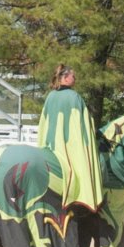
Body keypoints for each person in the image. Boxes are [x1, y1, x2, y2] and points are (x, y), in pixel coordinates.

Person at [37, 64, 103, 212]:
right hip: (66, 148)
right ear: (65, 78)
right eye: (73, 76)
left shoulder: (50, 96)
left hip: (50, 145)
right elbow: (82, 125)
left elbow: (44, 123)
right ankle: (82, 195)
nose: (75, 78)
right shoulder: (74, 97)